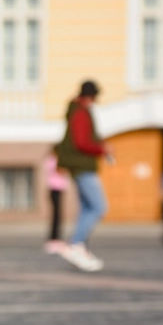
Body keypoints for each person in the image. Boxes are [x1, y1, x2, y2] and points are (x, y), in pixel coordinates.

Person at [54, 79, 111, 272]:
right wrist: (101, 149)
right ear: (91, 96)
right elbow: (81, 142)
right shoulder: (80, 113)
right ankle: (76, 245)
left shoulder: (77, 111)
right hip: (83, 167)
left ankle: (80, 247)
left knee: (87, 207)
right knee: (98, 206)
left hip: (80, 166)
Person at [43, 150, 72, 254]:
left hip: (59, 189)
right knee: (56, 215)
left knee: (58, 215)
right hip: (54, 189)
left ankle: (57, 238)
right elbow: (60, 170)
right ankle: (53, 239)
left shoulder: (55, 160)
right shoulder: (52, 160)